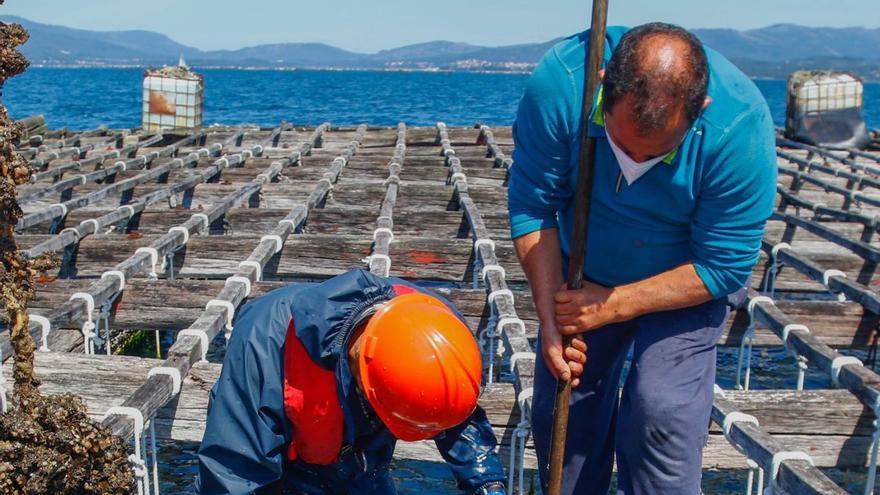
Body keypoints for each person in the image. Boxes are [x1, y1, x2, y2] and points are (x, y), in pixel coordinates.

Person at [508, 23, 776, 495]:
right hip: (582, 268)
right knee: (565, 410)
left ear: (700, 112)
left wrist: (615, 304)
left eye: (654, 155)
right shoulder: (566, 81)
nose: (632, 164)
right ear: (605, 84)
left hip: (688, 279)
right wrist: (551, 316)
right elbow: (533, 205)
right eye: (620, 144)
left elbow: (724, 265)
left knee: (662, 411)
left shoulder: (740, 126)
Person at [195, 269, 507, 495]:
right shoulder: (263, 344)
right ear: (368, 386)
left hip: (366, 466)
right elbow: (233, 473)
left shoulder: (437, 326)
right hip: (288, 474)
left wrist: (488, 484)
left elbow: (451, 412)